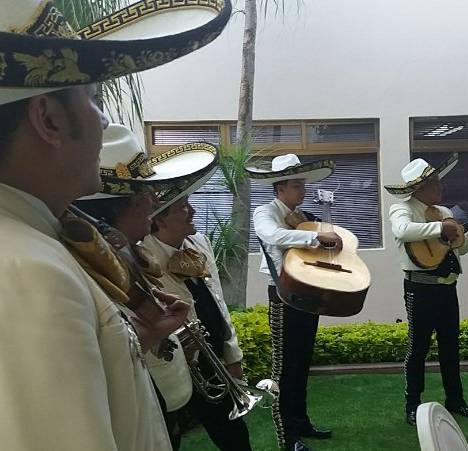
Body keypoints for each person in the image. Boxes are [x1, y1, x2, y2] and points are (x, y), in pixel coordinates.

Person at [0, 1, 232, 449]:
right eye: (91, 98)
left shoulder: (36, 244)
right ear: (48, 119)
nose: (104, 120)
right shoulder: (29, 271)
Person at [76, 123, 226, 450]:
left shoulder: (127, 251)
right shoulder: (83, 267)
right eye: (147, 193)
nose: (153, 202)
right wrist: (155, 334)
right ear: (120, 206)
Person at [385, 155, 468, 426]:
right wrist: (439, 227)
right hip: (419, 288)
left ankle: (455, 399)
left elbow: (459, 247)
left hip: (447, 288)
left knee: (450, 347)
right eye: (435, 184)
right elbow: (402, 230)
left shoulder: (445, 212)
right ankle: (412, 404)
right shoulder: (402, 209)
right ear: (421, 187)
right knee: (417, 349)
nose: (440, 189)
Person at [144, 195, 252, 451]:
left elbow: (218, 302)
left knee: (235, 436)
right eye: (183, 207)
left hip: (212, 358)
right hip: (174, 362)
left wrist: (232, 354)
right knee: (169, 438)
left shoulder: (199, 242)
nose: (193, 211)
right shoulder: (142, 255)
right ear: (160, 219)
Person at [247, 154, 340, 451]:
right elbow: (271, 235)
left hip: (307, 293)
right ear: (280, 188)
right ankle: (287, 436)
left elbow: (319, 246)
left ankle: (301, 422)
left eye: (302, 185)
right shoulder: (265, 212)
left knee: (302, 363)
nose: (302, 191)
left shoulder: (303, 216)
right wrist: (314, 239)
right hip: (283, 294)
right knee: (285, 368)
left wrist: (330, 239)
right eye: (297, 186)